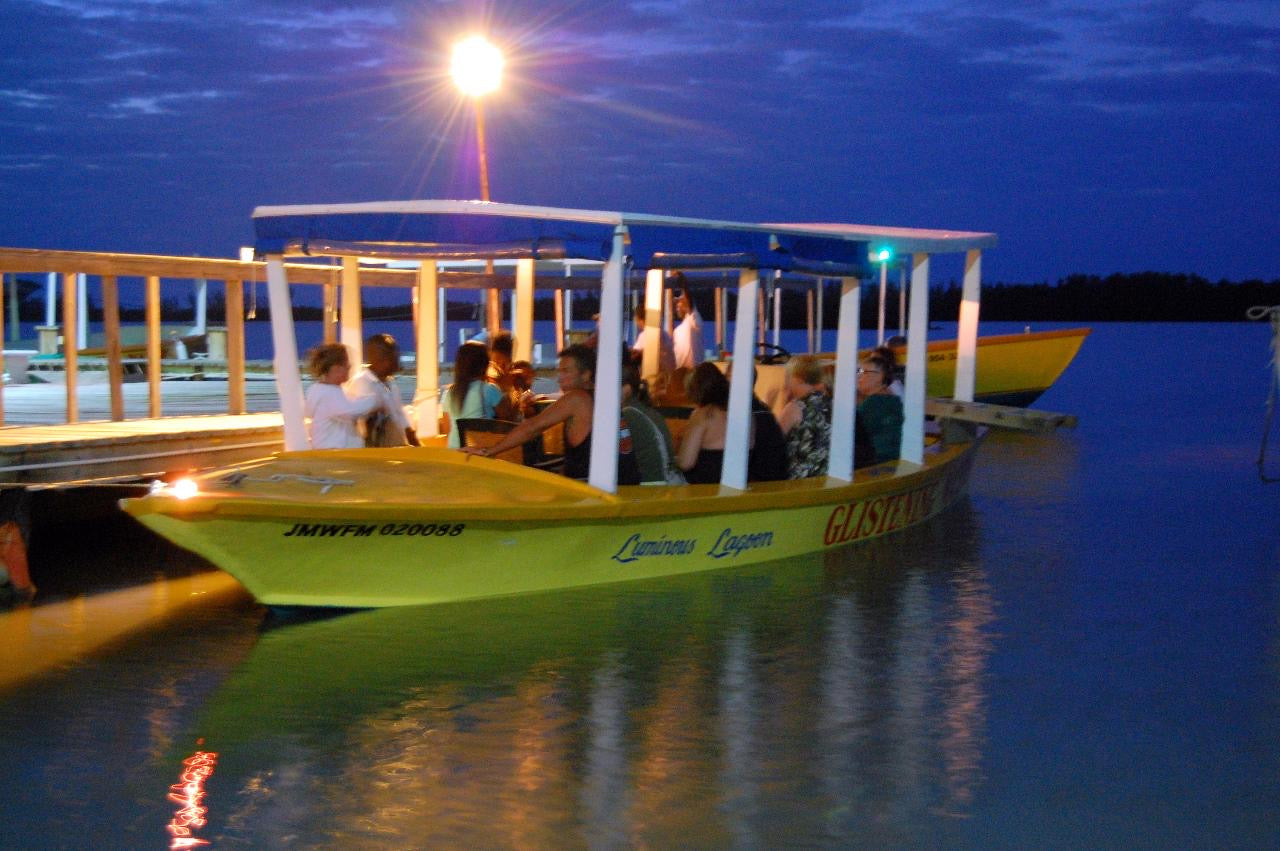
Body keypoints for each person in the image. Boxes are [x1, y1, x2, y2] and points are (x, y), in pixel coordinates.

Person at [461, 344, 640, 486]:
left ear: (586, 375)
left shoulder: (577, 398)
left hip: (596, 493)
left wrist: (488, 451)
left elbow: (533, 427)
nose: (559, 378)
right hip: (626, 486)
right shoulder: (605, 397)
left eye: (566, 371)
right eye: (559, 371)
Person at [304, 342, 386, 450]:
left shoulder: (322, 391)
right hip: (334, 454)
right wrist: (376, 399)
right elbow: (351, 411)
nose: (349, 366)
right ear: (335, 368)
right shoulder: (329, 394)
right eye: (346, 363)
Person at [349, 333, 419, 447]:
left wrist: (416, 445)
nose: (397, 361)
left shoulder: (390, 383)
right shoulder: (362, 383)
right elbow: (367, 424)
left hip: (395, 450)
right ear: (379, 359)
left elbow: (400, 416)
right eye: (394, 357)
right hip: (375, 454)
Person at [621, 360, 684, 484]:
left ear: (627, 389)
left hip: (649, 485)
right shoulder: (648, 411)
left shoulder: (627, 414)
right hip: (668, 483)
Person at [778, 355, 832, 479]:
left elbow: (773, 442)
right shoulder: (831, 403)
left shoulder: (796, 407)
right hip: (826, 474)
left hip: (800, 478)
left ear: (798, 378)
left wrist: (783, 399)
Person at [677, 362, 730, 484]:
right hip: (736, 485)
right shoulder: (742, 414)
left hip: (703, 489)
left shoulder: (703, 415)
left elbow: (686, 463)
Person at [443, 341, 503, 449]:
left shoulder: (449, 393)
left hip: (454, 453)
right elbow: (508, 424)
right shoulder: (489, 390)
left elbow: (447, 431)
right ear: (484, 366)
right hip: (480, 454)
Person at [857, 345, 904, 464]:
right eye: (859, 372)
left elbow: (852, 434)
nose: (859, 377)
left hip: (879, 461)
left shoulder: (875, 403)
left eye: (865, 373)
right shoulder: (892, 399)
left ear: (880, 376)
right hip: (893, 458)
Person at [631, 304, 676, 375]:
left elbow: (633, 356)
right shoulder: (665, 334)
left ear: (639, 320)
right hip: (671, 375)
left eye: (636, 319)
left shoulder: (645, 336)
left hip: (657, 378)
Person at [671, 280, 704, 369]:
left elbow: (688, 297)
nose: (677, 308)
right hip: (680, 371)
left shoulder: (693, 319)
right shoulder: (678, 330)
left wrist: (681, 279)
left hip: (694, 371)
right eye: (676, 306)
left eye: (680, 304)